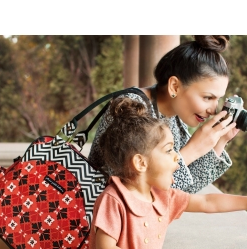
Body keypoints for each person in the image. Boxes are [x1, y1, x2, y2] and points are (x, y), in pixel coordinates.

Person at [86, 97, 247, 249]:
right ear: (141, 163)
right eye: (169, 150)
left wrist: (244, 201)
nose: (177, 158)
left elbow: (207, 202)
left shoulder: (162, 196)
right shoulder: (114, 199)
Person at [88, 35, 239, 194]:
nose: (213, 110)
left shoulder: (172, 116)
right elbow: (138, 193)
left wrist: (220, 141)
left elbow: (182, 190)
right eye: (208, 97)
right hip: (96, 212)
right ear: (174, 86)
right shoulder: (130, 109)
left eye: (218, 99)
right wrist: (193, 150)